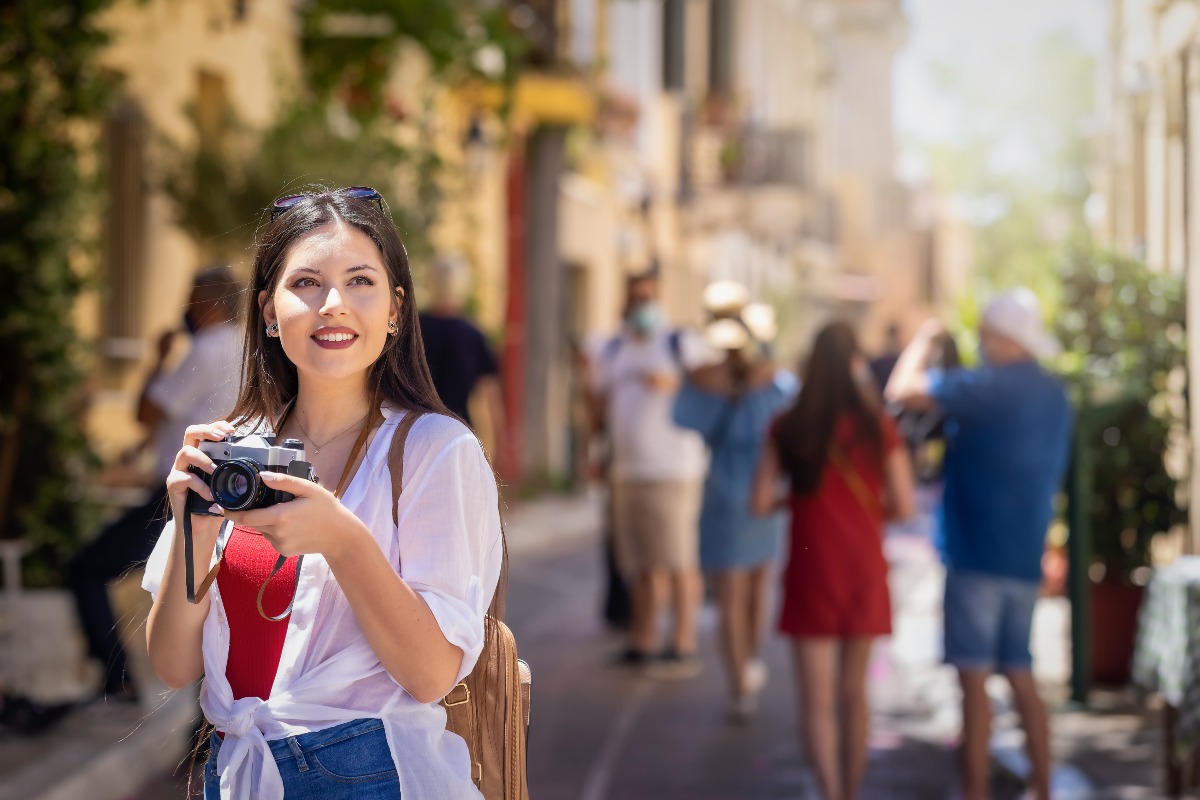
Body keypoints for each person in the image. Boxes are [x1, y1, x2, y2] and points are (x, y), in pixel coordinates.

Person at [141, 186, 504, 799]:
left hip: (372, 772)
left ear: (395, 307)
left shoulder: (435, 451)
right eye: (306, 283)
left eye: (360, 281)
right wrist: (194, 530)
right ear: (267, 310)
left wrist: (342, 540)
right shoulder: (236, 454)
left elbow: (431, 674)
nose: (333, 304)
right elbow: (173, 666)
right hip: (237, 771)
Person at [885, 288, 1071, 800]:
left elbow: (900, 390)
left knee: (973, 684)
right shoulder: (1054, 393)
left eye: (988, 336)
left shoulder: (989, 387)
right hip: (1022, 557)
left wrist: (923, 339)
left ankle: (974, 792)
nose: (983, 345)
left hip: (976, 557)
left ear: (1003, 338)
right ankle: (1044, 787)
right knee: (1021, 673)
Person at [751, 321, 914, 800]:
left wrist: (800, 500)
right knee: (855, 694)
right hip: (863, 564)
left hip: (811, 565)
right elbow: (904, 505)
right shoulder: (878, 425)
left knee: (816, 701)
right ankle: (852, 790)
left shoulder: (788, 425)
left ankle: (828, 791)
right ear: (853, 363)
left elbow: (759, 501)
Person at [65, 265, 242, 701]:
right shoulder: (244, 346)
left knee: (86, 569)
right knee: (212, 597)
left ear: (210, 302)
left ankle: (118, 680)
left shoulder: (205, 346)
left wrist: (159, 356)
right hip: (229, 490)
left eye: (193, 297)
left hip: (183, 494)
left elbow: (147, 411)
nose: (186, 307)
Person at [672, 284, 797, 721]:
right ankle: (750, 667)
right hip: (768, 492)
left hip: (724, 491)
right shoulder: (776, 381)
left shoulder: (707, 380)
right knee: (757, 588)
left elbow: (682, 417)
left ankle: (739, 685)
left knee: (730, 595)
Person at [588, 271, 713, 678]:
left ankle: (683, 644)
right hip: (627, 471)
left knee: (678, 560)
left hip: (673, 470)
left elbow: (712, 383)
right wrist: (596, 455)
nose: (643, 306)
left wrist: (675, 383)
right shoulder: (615, 349)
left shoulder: (679, 343)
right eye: (636, 298)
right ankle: (643, 641)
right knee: (640, 563)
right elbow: (599, 404)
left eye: (649, 298)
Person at [417, 254, 507, 467]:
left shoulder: (413, 330)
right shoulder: (474, 335)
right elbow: (491, 399)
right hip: (456, 434)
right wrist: (499, 451)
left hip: (417, 432)